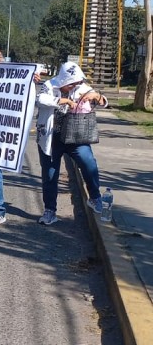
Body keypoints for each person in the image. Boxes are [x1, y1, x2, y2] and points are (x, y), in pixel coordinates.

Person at [35, 62, 108, 226]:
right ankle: (50, 211)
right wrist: (65, 101)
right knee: (50, 174)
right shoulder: (49, 85)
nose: (76, 85)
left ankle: (95, 197)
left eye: (77, 82)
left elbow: (103, 102)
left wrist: (97, 97)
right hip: (51, 137)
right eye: (72, 83)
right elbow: (40, 100)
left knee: (89, 163)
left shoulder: (82, 87)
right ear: (63, 81)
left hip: (76, 136)